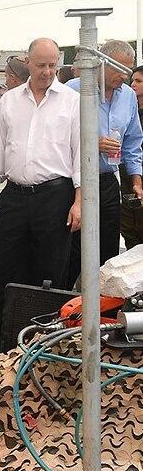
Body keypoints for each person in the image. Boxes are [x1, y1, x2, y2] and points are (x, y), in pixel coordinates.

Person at [0, 38, 81, 358]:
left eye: (53, 65)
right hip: (14, 195)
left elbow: (79, 153)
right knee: (2, 269)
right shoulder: (11, 100)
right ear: (27, 62)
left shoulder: (72, 101)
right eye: (41, 64)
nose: (47, 71)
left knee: (50, 273)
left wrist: (79, 200)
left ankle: (43, 344)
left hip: (55, 195)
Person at [64, 40, 142, 286]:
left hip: (108, 181)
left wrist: (136, 180)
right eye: (121, 68)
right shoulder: (72, 90)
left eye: (129, 69)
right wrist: (91, 142)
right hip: (73, 182)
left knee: (108, 246)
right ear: (102, 62)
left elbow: (132, 142)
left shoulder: (127, 96)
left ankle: (101, 310)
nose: (126, 76)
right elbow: (57, 135)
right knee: (72, 248)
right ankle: (62, 303)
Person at [122, 65, 143, 249]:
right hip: (125, 172)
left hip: (138, 171)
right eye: (132, 80)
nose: (133, 84)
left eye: (139, 81)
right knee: (128, 223)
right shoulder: (128, 108)